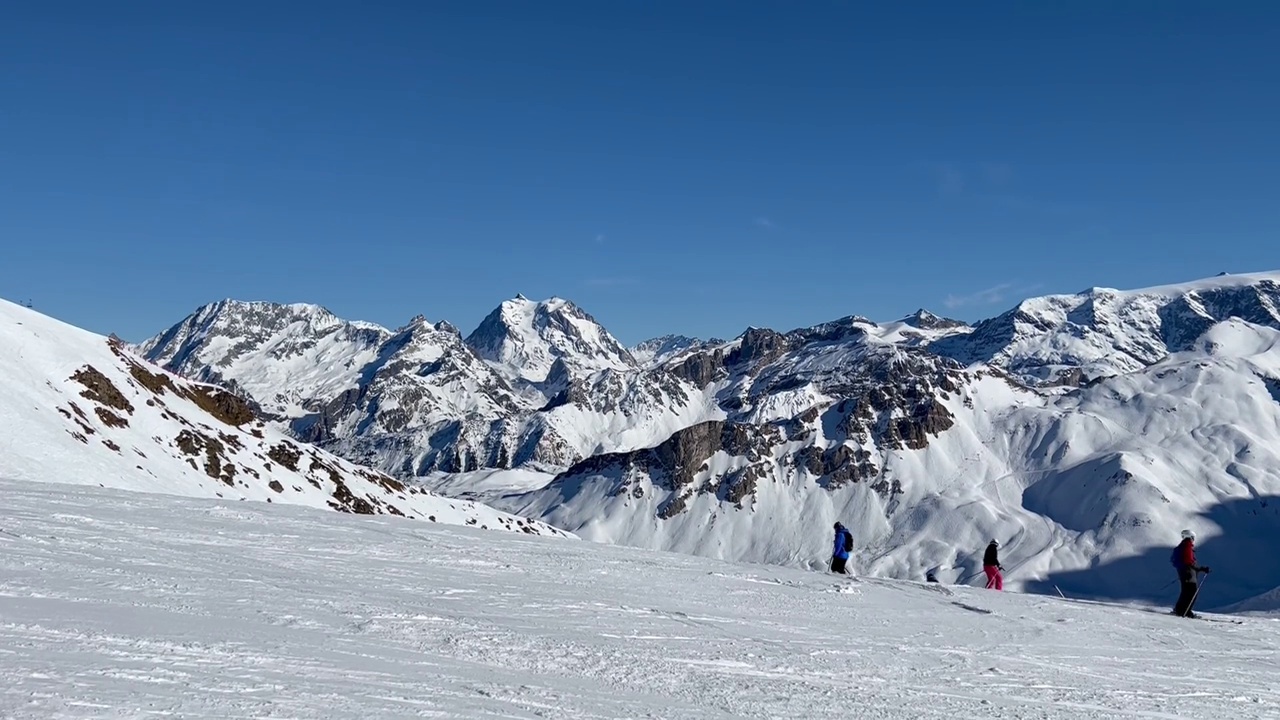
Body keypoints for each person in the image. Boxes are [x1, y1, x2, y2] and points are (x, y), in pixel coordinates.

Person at [1171, 529, 1211, 618]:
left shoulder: (1182, 546)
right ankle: (1186, 611)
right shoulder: (1187, 546)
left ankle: (1179, 609)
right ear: (1191, 537)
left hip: (1184, 572)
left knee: (1185, 591)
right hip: (1189, 573)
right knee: (1191, 592)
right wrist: (1201, 568)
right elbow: (1189, 562)